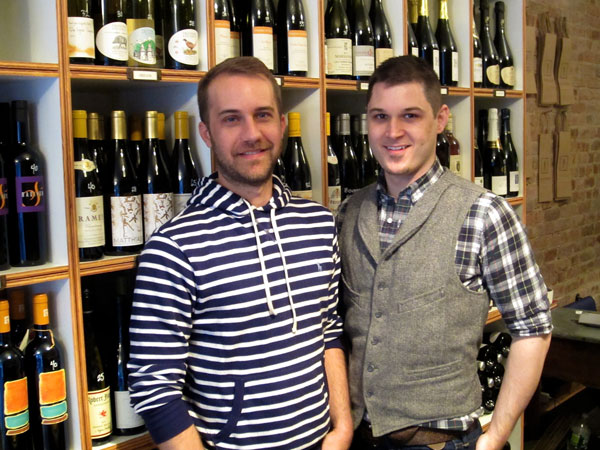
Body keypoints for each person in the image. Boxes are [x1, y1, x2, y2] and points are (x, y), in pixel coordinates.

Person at [128, 56, 353, 450]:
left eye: (263, 115)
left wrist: (342, 428)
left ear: (282, 124)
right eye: (232, 119)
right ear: (206, 132)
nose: (252, 133)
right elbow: (152, 384)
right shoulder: (173, 247)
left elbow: (328, 328)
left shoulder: (318, 224)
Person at [337, 55, 552, 450]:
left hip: (442, 442)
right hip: (358, 439)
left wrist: (497, 435)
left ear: (439, 120)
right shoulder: (350, 213)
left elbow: (533, 327)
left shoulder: (483, 212)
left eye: (410, 116)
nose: (393, 131)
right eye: (380, 117)